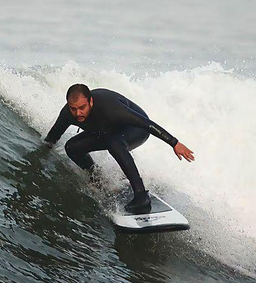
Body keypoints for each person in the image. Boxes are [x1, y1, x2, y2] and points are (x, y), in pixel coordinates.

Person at [44, 84, 194, 213]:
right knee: (71, 147)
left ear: (91, 101)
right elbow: (52, 137)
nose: (78, 113)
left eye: (82, 108)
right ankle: (96, 177)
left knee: (114, 143)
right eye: (73, 109)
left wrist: (174, 143)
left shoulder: (110, 108)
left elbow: (146, 123)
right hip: (105, 132)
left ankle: (141, 196)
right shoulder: (68, 113)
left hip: (135, 130)